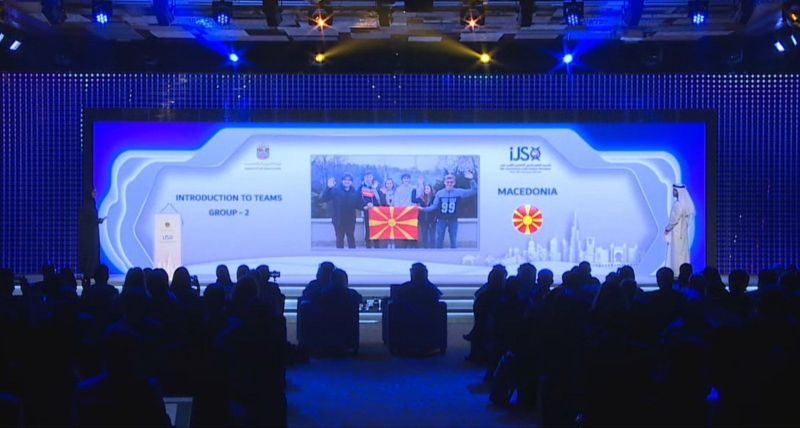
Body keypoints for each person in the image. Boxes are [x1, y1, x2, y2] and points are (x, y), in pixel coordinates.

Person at [421, 171, 477, 249]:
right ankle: (438, 255)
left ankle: (454, 254)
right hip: (441, 220)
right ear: (444, 182)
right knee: (439, 239)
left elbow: (474, 191)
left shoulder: (459, 192)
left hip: (453, 220)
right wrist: (424, 209)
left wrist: (471, 180)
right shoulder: (439, 193)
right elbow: (434, 206)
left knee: (453, 239)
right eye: (448, 182)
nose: (449, 184)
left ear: (454, 183)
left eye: (451, 182)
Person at [320, 174, 363, 248]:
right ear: (342, 181)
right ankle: (340, 254)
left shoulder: (354, 192)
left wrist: (366, 206)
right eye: (345, 180)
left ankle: (353, 254)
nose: (347, 181)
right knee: (339, 240)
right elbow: (323, 198)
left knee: (351, 240)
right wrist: (328, 188)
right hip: (338, 221)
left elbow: (358, 204)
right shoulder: (335, 191)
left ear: (351, 182)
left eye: (349, 180)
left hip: (350, 221)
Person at [665, 184, 695, 272]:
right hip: (681, 234)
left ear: (678, 192)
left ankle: (676, 271)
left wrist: (668, 228)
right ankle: (681, 271)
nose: (672, 192)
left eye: (674, 190)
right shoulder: (684, 204)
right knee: (681, 253)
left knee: (676, 253)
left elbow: (674, 219)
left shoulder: (678, 205)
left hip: (676, 234)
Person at [78, 187, 106, 277]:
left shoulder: (92, 205)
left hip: (93, 233)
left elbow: (93, 219)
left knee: (94, 251)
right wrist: (97, 221)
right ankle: (89, 271)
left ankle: (94, 271)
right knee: (91, 252)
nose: (95, 193)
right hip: (89, 235)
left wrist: (98, 220)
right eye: (94, 192)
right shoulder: (87, 206)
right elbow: (87, 220)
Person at [359, 172, 383, 248]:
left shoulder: (376, 188)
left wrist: (374, 189)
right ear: (364, 178)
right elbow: (359, 199)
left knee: (376, 228)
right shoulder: (361, 188)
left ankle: (376, 245)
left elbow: (379, 200)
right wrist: (366, 205)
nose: (368, 179)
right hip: (366, 211)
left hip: (375, 211)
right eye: (367, 177)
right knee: (368, 228)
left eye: (370, 177)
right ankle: (368, 245)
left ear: (372, 178)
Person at [412, 181, 437, 248]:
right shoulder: (421, 198)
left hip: (432, 220)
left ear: (431, 189)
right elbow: (413, 200)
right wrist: (414, 189)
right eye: (425, 189)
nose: (426, 190)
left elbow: (436, 208)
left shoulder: (434, 198)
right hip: (423, 220)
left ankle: (433, 249)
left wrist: (435, 217)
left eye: (428, 188)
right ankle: (425, 249)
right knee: (424, 236)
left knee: (432, 236)